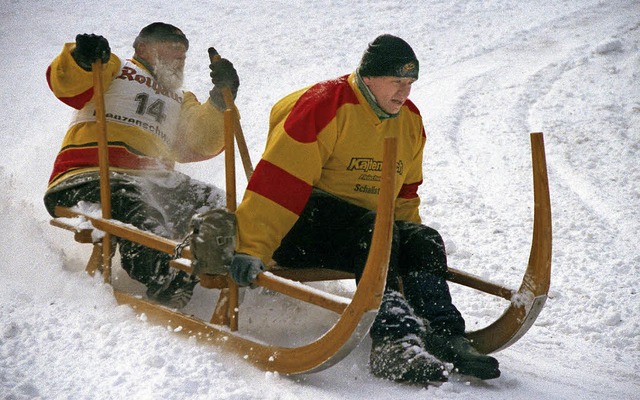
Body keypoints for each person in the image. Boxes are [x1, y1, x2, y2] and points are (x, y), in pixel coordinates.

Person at [228, 34, 500, 384]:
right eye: (395, 82)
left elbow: (404, 197)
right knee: (376, 229)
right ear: (368, 77)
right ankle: (393, 342)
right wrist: (250, 247)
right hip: (298, 227)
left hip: (364, 231)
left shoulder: (409, 121)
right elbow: (279, 184)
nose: (404, 93)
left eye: (409, 83)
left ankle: (443, 333)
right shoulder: (324, 105)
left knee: (424, 238)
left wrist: (408, 245)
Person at [44, 22, 239, 309]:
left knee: (218, 203)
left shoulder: (181, 98)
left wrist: (219, 100)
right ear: (143, 47)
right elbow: (69, 84)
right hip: (91, 175)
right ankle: (164, 275)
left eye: (184, 51)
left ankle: (237, 261)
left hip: (155, 180)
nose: (180, 56)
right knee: (140, 206)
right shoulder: (112, 66)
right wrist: (83, 58)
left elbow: (200, 142)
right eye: (172, 47)